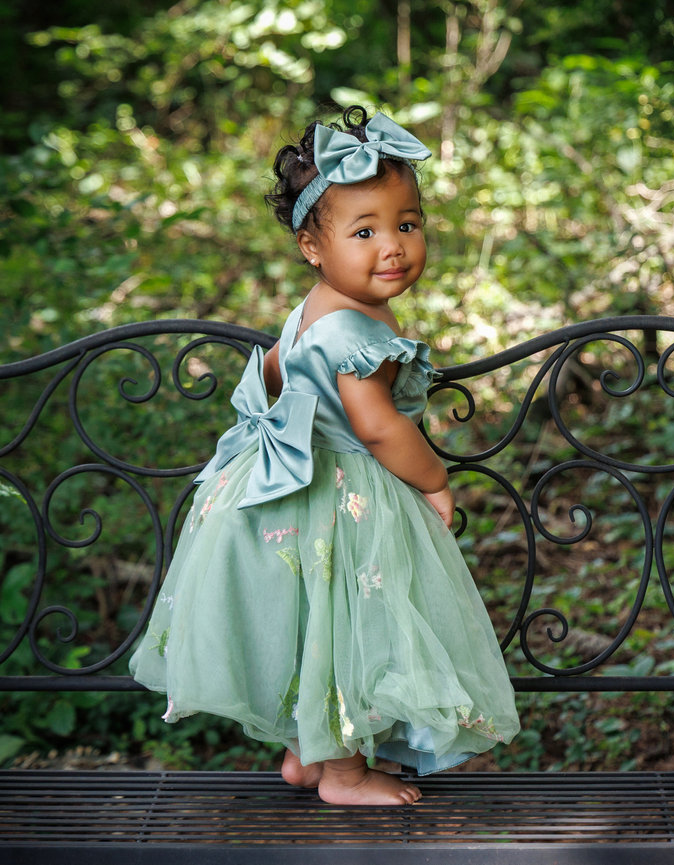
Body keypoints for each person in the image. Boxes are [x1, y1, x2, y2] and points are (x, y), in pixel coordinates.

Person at [130, 105, 519, 806]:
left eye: (407, 223)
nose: (392, 247)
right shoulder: (353, 330)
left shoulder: (317, 307)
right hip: (338, 493)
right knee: (348, 627)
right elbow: (376, 428)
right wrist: (435, 479)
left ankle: (305, 757)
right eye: (364, 231)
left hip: (287, 484)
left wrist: (281, 409)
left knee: (309, 625)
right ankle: (342, 775)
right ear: (314, 245)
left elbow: (275, 364)